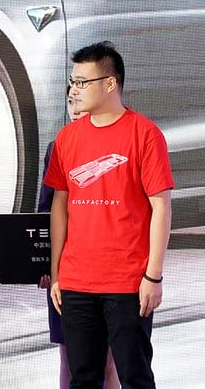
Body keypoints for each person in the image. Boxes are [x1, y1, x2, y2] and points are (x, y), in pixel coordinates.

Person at [45, 41, 173, 389]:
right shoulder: (66, 138)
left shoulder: (145, 134)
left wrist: (153, 276)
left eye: (82, 82)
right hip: (76, 283)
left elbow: (161, 206)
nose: (74, 90)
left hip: (128, 283)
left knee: (135, 377)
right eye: (72, 82)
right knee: (83, 378)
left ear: (110, 83)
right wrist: (57, 272)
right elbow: (60, 206)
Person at [37, 88, 119, 389]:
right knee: (68, 358)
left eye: (80, 101)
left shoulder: (119, 146)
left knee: (108, 361)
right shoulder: (57, 148)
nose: (74, 109)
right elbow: (45, 210)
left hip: (110, 272)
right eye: (70, 102)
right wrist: (46, 266)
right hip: (67, 274)